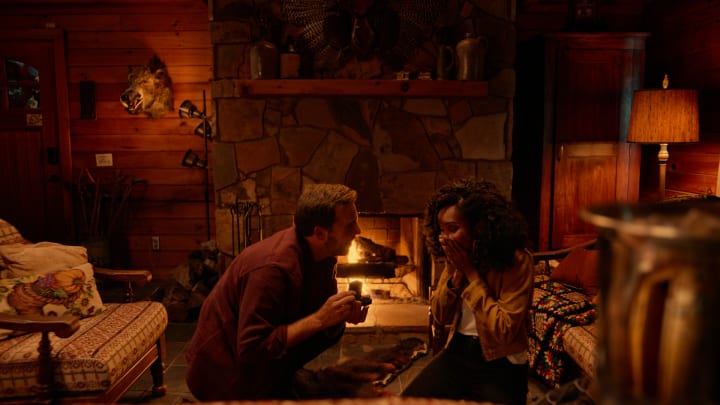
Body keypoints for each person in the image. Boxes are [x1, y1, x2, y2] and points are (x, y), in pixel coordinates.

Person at [185, 184, 369, 400]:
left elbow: (315, 319)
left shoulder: (322, 255)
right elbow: (252, 348)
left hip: (268, 370)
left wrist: (338, 316)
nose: (358, 230)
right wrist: (320, 319)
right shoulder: (271, 269)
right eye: (350, 224)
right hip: (225, 378)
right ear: (319, 233)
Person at [402, 178, 534, 405]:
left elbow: (503, 330)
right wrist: (457, 275)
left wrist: (471, 273)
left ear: (479, 226)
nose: (444, 238)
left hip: (501, 361)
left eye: (453, 229)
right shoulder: (457, 256)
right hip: (459, 350)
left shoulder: (516, 260)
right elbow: (439, 315)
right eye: (441, 230)